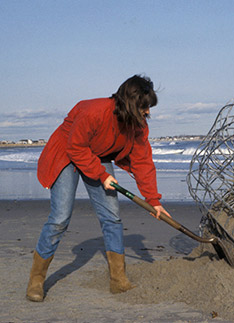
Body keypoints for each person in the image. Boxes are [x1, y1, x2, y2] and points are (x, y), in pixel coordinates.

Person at [26, 75, 171, 302]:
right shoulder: (94, 111)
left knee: (112, 217)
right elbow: (76, 147)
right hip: (67, 153)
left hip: (97, 154)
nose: (148, 113)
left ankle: (118, 281)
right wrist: (102, 175)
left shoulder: (138, 126)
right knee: (60, 217)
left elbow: (142, 161)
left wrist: (153, 200)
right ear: (132, 104)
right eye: (144, 107)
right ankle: (36, 280)